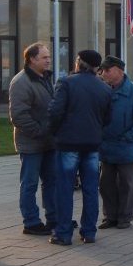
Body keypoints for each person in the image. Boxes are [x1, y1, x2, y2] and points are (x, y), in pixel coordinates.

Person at [48, 50, 113, 246]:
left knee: (65, 189)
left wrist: (55, 132)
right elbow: (108, 119)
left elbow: (55, 112)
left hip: (68, 143)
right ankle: (89, 232)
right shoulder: (104, 89)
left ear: (79, 63)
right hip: (92, 144)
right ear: (96, 68)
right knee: (91, 189)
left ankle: (63, 233)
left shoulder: (66, 83)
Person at [97, 55, 133, 230]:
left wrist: (128, 136)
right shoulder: (103, 90)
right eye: (102, 70)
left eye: (107, 70)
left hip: (126, 146)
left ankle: (125, 217)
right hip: (106, 146)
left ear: (119, 71)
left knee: (126, 184)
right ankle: (110, 216)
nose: (103, 73)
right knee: (106, 184)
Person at [8, 42, 56, 235]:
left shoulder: (44, 78)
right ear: (32, 59)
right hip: (31, 143)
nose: (48, 60)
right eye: (44, 57)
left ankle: (54, 218)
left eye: (48, 56)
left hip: (48, 142)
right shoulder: (20, 82)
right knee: (29, 184)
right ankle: (31, 222)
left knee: (51, 181)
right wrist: (39, 131)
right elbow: (18, 116)